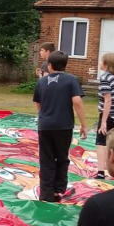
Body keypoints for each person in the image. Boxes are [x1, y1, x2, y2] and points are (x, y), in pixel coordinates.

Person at [32, 50, 89, 202]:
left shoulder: (41, 82)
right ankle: (58, 190)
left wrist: (43, 115)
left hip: (45, 126)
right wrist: (83, 124)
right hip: (64, 126)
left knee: (46, 159)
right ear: (65, 65)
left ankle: (46, 193)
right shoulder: (71, 80)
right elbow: (77, 101)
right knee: (62, 158)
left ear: (49, 65)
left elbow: (37, 102)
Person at [95, 53, 114, 179]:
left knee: (101, 142)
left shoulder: (105, 78)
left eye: (101, 61)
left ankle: (101, 172)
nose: (99, 63)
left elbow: (107, 100)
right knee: (111, 141)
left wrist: (103, 122)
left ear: (107, 65)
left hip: (108, 115)